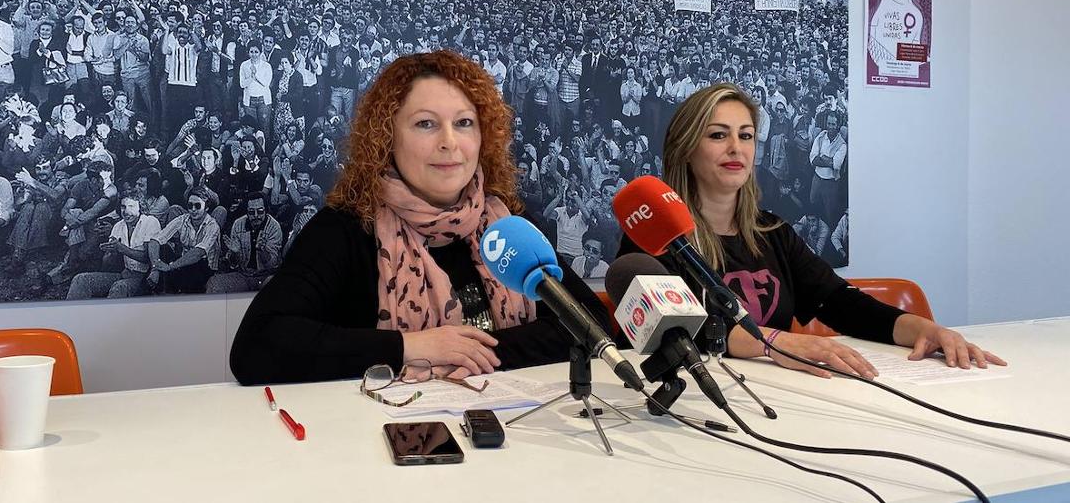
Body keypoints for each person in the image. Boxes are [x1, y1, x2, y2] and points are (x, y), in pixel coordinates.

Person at [230, 50, 608, 385]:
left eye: (464, 123)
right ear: (387, 137)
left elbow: (593, 328)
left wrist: (469, 354)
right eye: (426, 124)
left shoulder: (507, 221)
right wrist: (410, 347)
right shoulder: (347, 227)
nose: (449, 141)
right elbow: (258, 347)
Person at [618, 83, 1004, 377]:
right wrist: (775, 343)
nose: (736, 148)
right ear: (686, 147)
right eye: (718, 135)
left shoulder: (773, 231)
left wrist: (927, 329)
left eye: (746, 135)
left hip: (780, 394)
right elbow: (673, 333)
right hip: (691, 399)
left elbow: (840, 304)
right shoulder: (654, 232)